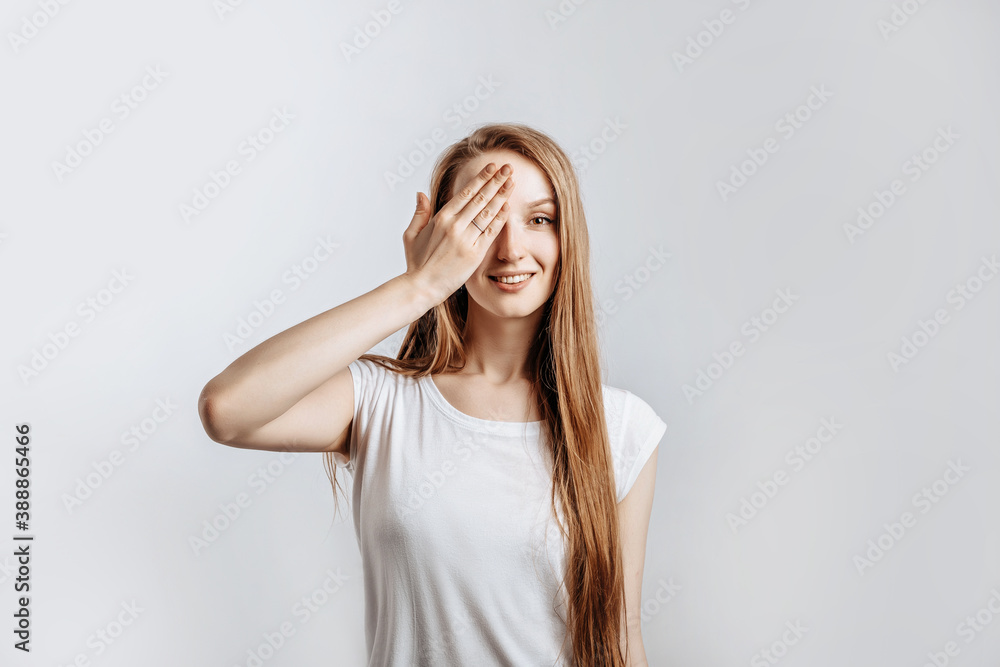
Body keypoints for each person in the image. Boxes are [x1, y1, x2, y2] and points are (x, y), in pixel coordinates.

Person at [197, 123, 667, 666]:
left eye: (539, 220)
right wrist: (418, 287)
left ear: (566, 238)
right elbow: (226, 409)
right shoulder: (383, 402)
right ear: (445, 240)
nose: (511, 248)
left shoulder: (623, 426)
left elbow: (620, 636)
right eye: (483, 221)